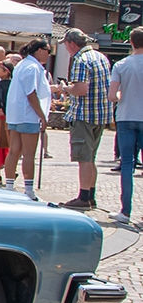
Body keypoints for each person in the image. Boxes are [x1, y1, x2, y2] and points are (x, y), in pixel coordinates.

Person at [59, 28, 112, 210]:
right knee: (91, 157)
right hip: (101, 114)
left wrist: (66, 88)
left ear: (72, 43)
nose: (66, 48)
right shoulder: (101, 57)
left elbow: (81, 89)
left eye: (65, 45)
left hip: (84, 114)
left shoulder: (80, 60)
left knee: (84, 158)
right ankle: (90, 195)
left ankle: (83, 197)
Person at [5, 39, 53, 200]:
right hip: (28, 114)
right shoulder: (32, 67)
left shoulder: (22, 65)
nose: (48, 53)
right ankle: (29, 189)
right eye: (47, 50)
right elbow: (31, 93)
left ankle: (10, 186)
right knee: (28, 154)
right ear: (39, 50)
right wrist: (42, 115)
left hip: (16, 113)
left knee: (14, 151)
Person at [108, 27, 143, 225]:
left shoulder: (121, 65)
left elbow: (112, 95)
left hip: (126, 116)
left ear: (131, 42)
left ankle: (125, 211)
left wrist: (122, 96)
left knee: (127, 164)